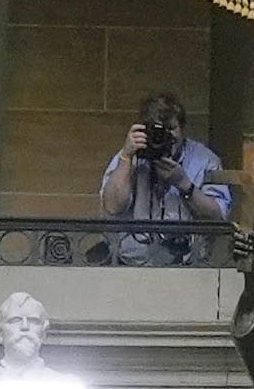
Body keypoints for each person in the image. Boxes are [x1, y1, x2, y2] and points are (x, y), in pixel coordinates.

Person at [97, 90, 237, 264]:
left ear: (183, 129)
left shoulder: (205, 160)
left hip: (188, 267)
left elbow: (218, 217)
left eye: (171, 129)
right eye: (157, 130)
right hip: (131, 266)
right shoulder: (129, 156)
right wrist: (127, 158)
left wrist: (185, 185)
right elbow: (112, 206)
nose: (164, 137)